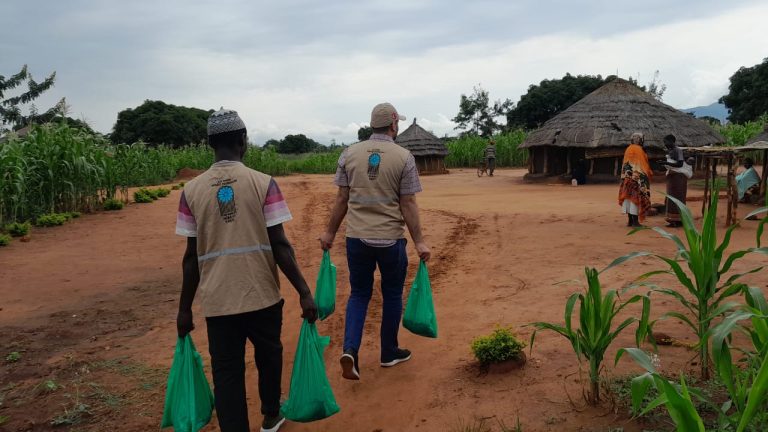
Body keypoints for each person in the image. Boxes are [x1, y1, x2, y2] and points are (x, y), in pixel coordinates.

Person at [175, 108, 318, 432]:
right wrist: (304, 292)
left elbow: (189, 258)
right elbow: (280, 245)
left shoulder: (191, 191)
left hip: (218, 302)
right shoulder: (263, 183)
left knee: (227, 373)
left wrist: (184, 311)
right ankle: (270, 414)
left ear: (210, 143)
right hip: (262, 296)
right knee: (270, 356)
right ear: (243, 141)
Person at [319, 102, 431, 381]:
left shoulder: (349, 153)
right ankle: (389, 351)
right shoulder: (404, 157)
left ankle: (350, 351)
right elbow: (408, 202)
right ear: (394, 124)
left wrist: (330, 233)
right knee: (392, 294)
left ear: (373, 125)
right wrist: (419, 241)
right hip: (391, 240)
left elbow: (342, 199)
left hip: (356, 239)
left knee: (359, 294)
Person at [618, 132, 652, 227]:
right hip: (637, 179)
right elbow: (642, 165)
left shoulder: (628, 149)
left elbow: (626, 165)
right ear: (641, 140)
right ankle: (635, 222)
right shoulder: (639, 150)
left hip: (627, 178)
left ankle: (630, 221)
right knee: (636, 199)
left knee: (628, 199)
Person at [659, 134, 688, 227]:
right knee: (671, 199)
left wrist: (665, 163)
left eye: (666, 142)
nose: (665, 144)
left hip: (678, 179)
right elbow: (672, 164)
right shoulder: (670, 151)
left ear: (672, 141)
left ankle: (679, 221)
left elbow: (680, 164)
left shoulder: (678, 150)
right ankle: (672, 220)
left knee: (678, 198)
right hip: (672, 178)